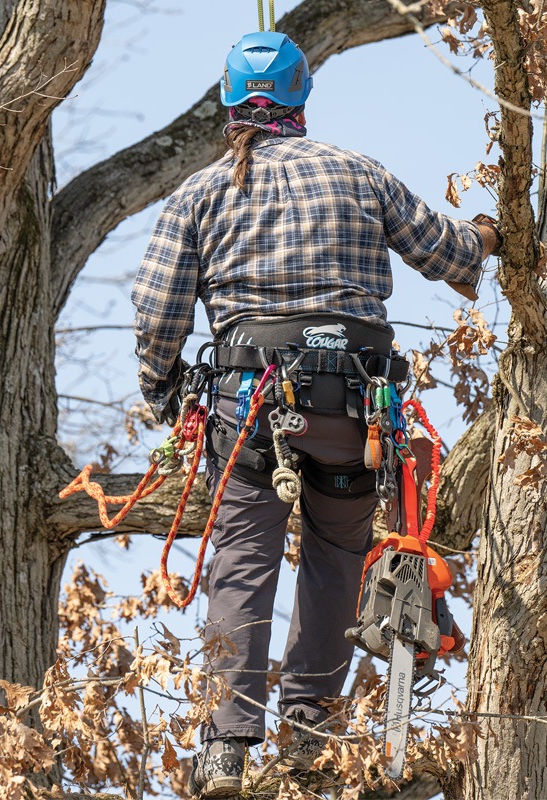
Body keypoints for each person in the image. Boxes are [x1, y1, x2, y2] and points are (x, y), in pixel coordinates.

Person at [131, 30, 501, 799]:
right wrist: (492, 234)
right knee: (336, 558)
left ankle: (227, 748)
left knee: (243, 559)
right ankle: (309, 733)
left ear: (229, 104)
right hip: (355, 414)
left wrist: (163, 390)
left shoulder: (200, 193)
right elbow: (451, 254)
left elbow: (157, 313)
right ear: (302, 96)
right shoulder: (359, 172)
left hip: (251, 408)